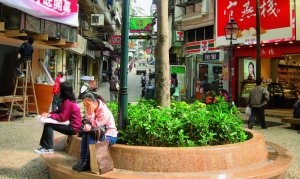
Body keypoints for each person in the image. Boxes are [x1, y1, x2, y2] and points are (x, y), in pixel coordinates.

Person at [72, 93, 118, 172]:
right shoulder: (91, 108)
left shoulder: (104, 111)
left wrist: (90, 115)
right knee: (86, 133)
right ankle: (82, 160)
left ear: (95, 103)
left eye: (88, 104)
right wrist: (87, 123)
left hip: (110, 136)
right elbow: (89, 123)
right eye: (84, 105)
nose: (86, 107)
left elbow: (96, 125)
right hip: (97, 133)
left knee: (91, 134)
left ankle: (87, 161)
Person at [34, 82, 82, 154]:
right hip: (72, 126)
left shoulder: (68, 102)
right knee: (48, 124)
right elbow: (59, 111)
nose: (59, 91)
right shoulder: (69, 100)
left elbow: (62, 117)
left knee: (49, 125)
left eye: (60, 90)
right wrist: (49, 114)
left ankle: (48, 148)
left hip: (73, 129)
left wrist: (49, 116)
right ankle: (45, 146)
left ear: (63, 91)